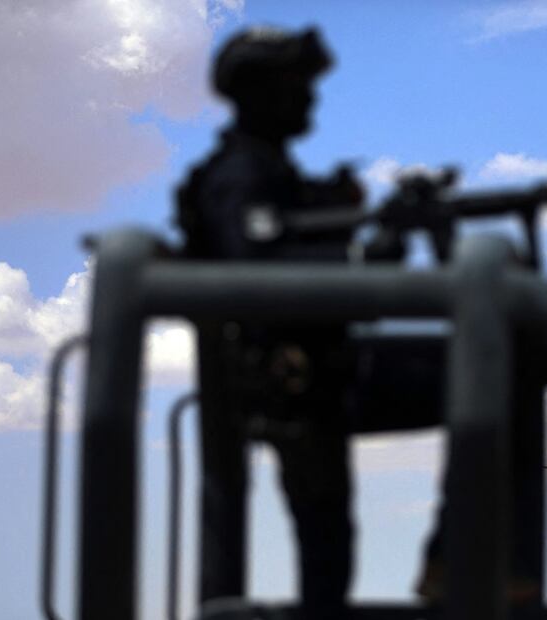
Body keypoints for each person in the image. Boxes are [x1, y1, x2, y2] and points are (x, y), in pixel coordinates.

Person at [175, 26, 361, 619]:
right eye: (295, 86)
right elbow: (260, 276)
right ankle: (482, 569)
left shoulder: (269, 172)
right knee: (496, 376)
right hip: (289, 380)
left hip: (310, 375)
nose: (310, 99)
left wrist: (338, 219)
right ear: (257, 92)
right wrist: (355, 258)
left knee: (328, 544)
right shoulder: (241, 175)